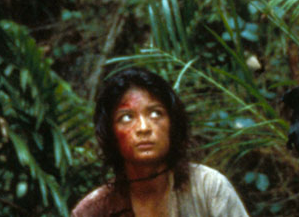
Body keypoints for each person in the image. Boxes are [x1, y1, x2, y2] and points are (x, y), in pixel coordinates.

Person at [72, 67, 251, 217]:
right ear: (110, 133)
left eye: (155, 113)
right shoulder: (92, 211)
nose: (143, 128)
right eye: (126, 117)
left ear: (173, 124)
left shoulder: (209, 189)